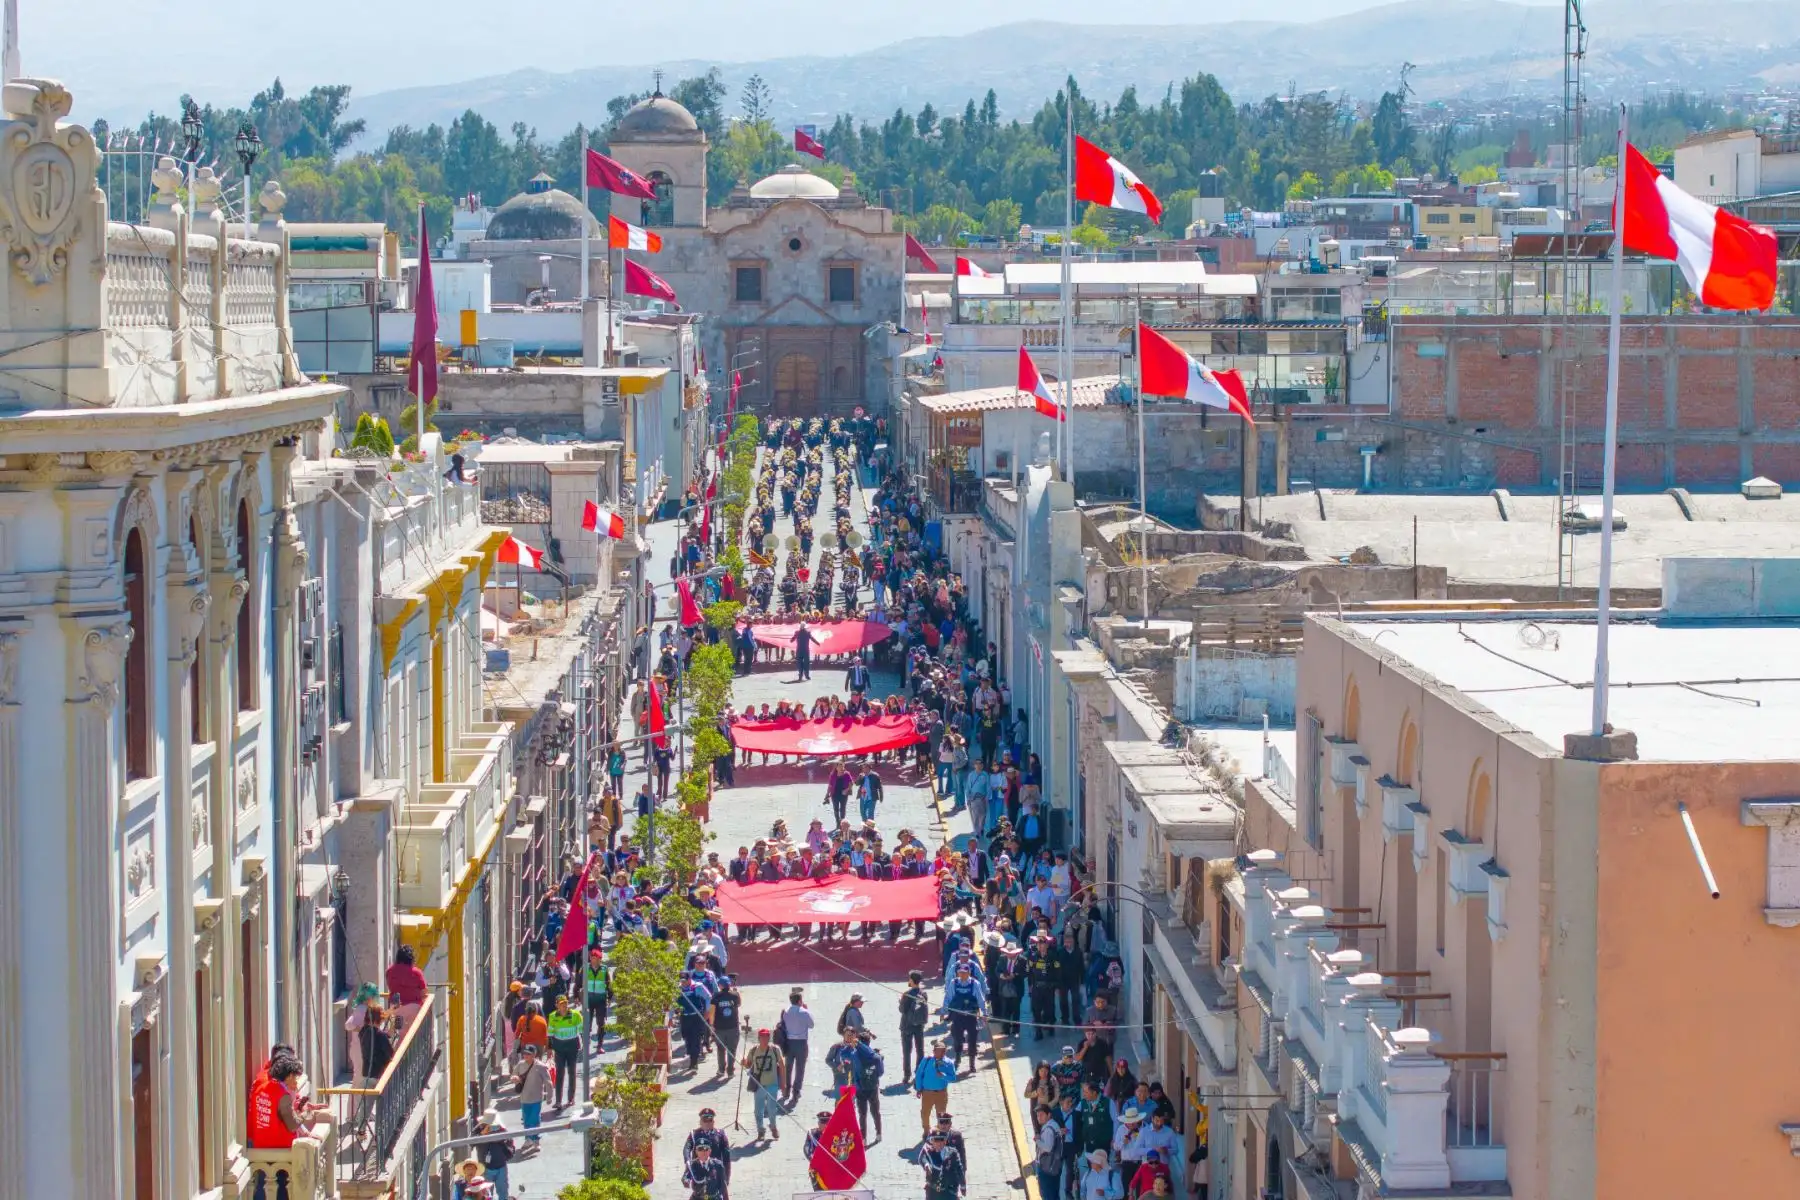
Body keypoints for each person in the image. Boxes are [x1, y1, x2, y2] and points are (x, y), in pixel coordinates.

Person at [743, 1028, 786, 1141]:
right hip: (759, 1085)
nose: (765, 1039)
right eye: (762, 1037)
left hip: (772, 1084)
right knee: (758, 1110)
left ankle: (773, 1126)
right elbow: (748, 1065)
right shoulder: (753, 1051)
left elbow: (782, 1065)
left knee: (772, 1109)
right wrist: (744, 1062)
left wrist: (783, 1083)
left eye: (767, 1037)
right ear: (759, 1038)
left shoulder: (775, 1050)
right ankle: (760, 1130)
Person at [913, 1039, 958, 1139]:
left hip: (941, 1093)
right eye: (938, 1051)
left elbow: (953, 1078)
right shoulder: (927, 1060)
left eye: (943, 1051)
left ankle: (940, 1131)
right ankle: (926, 1130)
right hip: (927, 1092)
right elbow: (919, 1074)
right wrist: (919, 1089)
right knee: (925, 1113)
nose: (941, 1053)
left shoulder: (949, 1063)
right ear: (934, 1051)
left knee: (941, 1114)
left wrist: (944, 1075)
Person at [545, 994, 583, 1108]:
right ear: (557, 1005)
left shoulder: (575, 1015)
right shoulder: (552, 1016)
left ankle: (571, 1099)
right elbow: (550, 1034)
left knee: (572, 1072)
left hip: (572, 1046)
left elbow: (581, 1030)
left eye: (565, 1003)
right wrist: (549, 1049)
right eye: (561, 1004)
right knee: (560, 1073)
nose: (564, 1006)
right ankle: (558, 1101)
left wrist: (585, 1043)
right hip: (559, 1048)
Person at [512, 1044, 552, 1151]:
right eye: (524, 1053)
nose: (525, 1056)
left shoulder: (540, 1066)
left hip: (536, 1098)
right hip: (524, 1098)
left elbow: (548, 1082)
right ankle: (528, 1139)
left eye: (528, 1054)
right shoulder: (520, 1065)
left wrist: (549, 1097)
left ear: (534, 1055)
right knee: (526, 1119)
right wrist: (515, 1078)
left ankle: (536, 1140)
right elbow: (513, 1075)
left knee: (535, 1119)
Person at [778, 989, 815, 1104]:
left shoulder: (786, 1011)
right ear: (799, 1001)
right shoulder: (804, 1012)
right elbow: (811, 1025)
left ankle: (787, 1090)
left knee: (788, 1067)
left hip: (789, 1042)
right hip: (801, 1042)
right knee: (800, 1068)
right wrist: (806, 1009)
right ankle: (796, 1091)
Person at [684, 1108, 733, 1192]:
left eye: (710, 1120)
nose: (707, 1123)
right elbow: (687, 1148)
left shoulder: (720, 1134)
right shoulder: (694, 1134)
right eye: (704, 1120)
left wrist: (726, 1177)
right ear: (700, 1122)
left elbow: (726, 1158)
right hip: (699, 1172)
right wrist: (688, 1161)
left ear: (713, 1122)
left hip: (715, 1173)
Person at [677, 970, 715, 1073]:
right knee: (686, 1037)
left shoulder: (698, 987)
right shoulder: (678, 989)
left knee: (695, 1039)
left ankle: (694, 1063)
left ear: (690, 979)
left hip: (696, 1017)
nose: (683, 982)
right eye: (681, 980)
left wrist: (707, 1011)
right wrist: (671, 1017)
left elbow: (708, 997)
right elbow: (672, 1003)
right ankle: (691, 1055)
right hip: (684, 1017)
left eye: (685, 980)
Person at [385, 944, 427, 1033]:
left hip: (396, 1008)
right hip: (413, 1007)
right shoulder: (416, 972)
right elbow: (424, 991)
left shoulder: (390, 971)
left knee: (397, 1033)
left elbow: (390, 987)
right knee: (410, 1034)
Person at [472, 1111, 514, 1200]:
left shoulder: (502, 1130)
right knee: (486, 1194)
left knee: (503, 1193)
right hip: (485, 1168)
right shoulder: (478, 1129)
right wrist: (482, 1134)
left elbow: (510, 1146)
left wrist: (501, 1138)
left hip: (501, 1167)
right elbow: (470, 1143)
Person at [898, 969, 930, 1078]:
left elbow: (902, 1010)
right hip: (919, 1026)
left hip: (907, 1026)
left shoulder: (907, 994)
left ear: (911, 980)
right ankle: (919, 1071)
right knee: (920, 1050)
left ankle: (907, 1075)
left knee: (907, 1052)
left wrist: (900, 1001)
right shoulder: (923, 994)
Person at [920, 1128, 967, 1200]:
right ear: (932, 1141)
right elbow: (922, 1158)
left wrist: (963, 1185)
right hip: (933, 1192)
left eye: (941, 1140)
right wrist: (926, 1165)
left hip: (949, 1191)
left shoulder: (952, 1153)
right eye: (936, 1140)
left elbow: (959, 1169)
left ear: (945, 1141)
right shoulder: (928, 1151)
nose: (939, 1143)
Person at [711, 974, 743, 1077]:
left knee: (720, 1049)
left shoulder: (716, 996)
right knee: (731, 1050)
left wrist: (711, 1025)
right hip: (733, 1027)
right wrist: (737, 992)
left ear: (720, 985)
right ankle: (730, 1070)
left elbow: (712, 1012)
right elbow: (739, 1004)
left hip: (719, 1027)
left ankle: (721, 1069)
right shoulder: (735, 995)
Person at [1035, 1104, 1067, 1200]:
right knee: (1054, 1194)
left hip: (1046, 1167)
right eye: (1037, 1115)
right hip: (1054, 1166)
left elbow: (1048, 1148)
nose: (1039, 1117)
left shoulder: (1048, 1129)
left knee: (1047, 1195)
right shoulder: (1054, 1125)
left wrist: (1038, 1140)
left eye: (1041, 1115)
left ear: (1049, 1115)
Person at [583, 949, 610, 1048]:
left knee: (601, 1023)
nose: (593, 960)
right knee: (587, 1022)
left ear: (600, 959)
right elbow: (578, 981)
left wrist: (609, 996)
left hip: (600, 1000)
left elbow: (608, 983)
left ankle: (600, 1044)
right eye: (592, 958)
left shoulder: (604, 969)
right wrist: (577, 996)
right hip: (588, 999)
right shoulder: (585, 968)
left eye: (596, 958)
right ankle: (586, 1041)